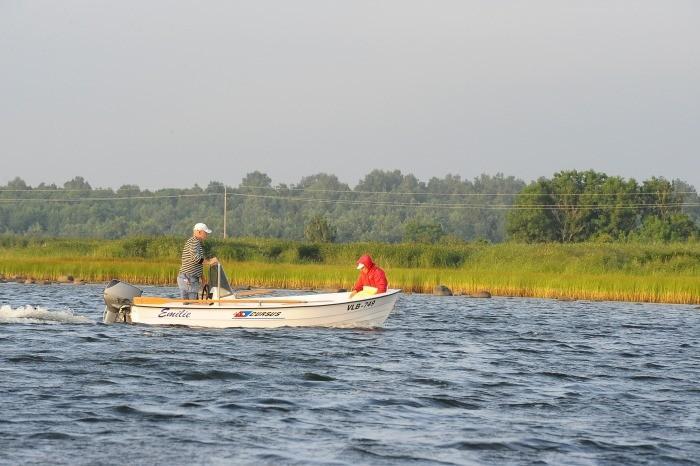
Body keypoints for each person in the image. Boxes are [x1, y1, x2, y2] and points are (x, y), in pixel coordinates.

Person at [177, 223, 218, 300]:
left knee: (191, 303)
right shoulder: (194, 242)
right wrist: (210, 262)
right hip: (188, 278)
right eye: (205, 233)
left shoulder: (195, 242)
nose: (207, 235)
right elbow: (195, 258)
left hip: (189, 277)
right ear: (199, 232)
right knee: (192, 303)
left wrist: (202, 277)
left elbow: (197, 262)